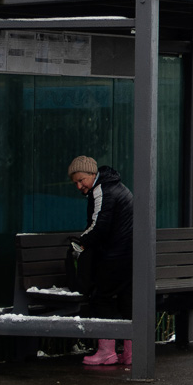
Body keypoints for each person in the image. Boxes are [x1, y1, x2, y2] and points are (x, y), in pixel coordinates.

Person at [68, 156, 134, 367]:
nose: (79, 186)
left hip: (114, 256)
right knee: (126, 301)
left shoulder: (102, 190)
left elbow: (99, 227)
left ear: (92, 175)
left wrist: (79, 244)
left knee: (101, 297)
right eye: (76, 183)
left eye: (81, 180)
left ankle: (106, 352)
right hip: (129, 254)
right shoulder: (118, 187)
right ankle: (132, 352)